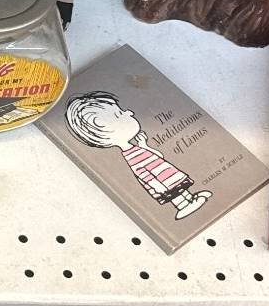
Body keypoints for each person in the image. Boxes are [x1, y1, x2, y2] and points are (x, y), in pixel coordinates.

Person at [65, 90, 211, 220]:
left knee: (180, 189)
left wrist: (144, 145)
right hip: (163, 182)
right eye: (120, 114)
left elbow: (158, 157)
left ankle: (191, 199)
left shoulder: (136, 149)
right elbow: (143, 174)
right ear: (102, 125)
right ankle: (184, 206)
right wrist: (159, 187)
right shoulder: (131, 157)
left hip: (167, 175)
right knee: (176, 195)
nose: (129, 112)